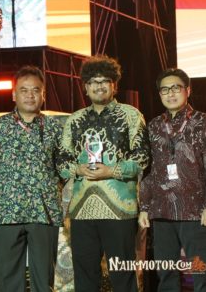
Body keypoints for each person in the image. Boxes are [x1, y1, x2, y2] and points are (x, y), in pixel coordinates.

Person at [57, 54, 150, 292]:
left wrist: (111, 171)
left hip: (119, 209)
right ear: (86, 87)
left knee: (123, 276)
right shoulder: (75, 120)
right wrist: (77, 168)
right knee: (85, 277)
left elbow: (142, 158)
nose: (99, 86)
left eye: (104, 81)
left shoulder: (131, 115)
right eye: (93, 82)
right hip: (82, 210)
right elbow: (61, 161)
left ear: (114, 85)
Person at [0, 65, 64, 292]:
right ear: (14, 95)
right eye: (24, 90)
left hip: (44, 213)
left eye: (36, 90)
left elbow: (65, 170)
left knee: (44, 280)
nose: (30, 95)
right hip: (8, 213)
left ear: (43, 95)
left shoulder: (54, 128)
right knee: (8, 280)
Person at [139, 68, 206, 292]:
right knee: (166, 274)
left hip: (194, 209)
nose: (170, 94)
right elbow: (149, 170)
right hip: (162, 209)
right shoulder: (154, 125)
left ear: (188, 90)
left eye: (175, 88)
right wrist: (145, 207)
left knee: (201, 272)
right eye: (165, 90)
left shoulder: (205, 122)